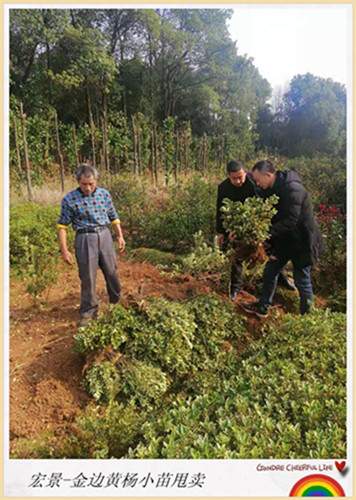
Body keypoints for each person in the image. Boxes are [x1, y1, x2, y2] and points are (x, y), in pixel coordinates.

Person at [242, 160, 322, 317]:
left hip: (302, 241)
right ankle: (263, 307)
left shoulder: (293, 189)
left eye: (259, 180)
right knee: (270, 271)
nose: (257, 183)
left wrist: (265, 234)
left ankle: (308, 317)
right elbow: (259, 198)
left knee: (302, 280)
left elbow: (291, 220)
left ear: (268, 175)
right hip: (284, 240)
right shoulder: (270, 187)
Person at [57, 164, 125, 327]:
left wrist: (120, 236)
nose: (88, 188)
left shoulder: (104, 195)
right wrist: (64, 250)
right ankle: (88, 311)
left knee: (112, 271)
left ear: (96, 181)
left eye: (91, 184)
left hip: (105, 235)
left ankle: (116, 302)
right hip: (85, 238)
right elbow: (62, 227)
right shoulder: (69, 199)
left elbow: (113, 217)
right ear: (78, 182)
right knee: (87, 276)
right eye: (84, 184)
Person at [216, 160, 295, 300]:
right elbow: (220, 210)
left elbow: (265, 203)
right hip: (236, 224)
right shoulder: (223, 188)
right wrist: (222, 231)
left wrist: (260, 227)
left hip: (257, 222)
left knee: (271, 250)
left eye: (241, 176)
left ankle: (282, 278)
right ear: (228, 176)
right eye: (234, 178)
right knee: (237, 254)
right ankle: (235, 288)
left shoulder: (254, 182)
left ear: (245, 172)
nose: (239, 180)